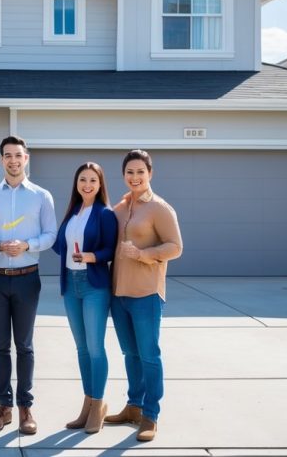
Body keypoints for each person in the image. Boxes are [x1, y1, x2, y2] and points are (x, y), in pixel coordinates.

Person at [0, 135, 57, 435]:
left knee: (24, 346)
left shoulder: (41, 196)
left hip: (27, 278)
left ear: (27, 158)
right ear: (1, 160)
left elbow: (51, 234)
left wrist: (27, 245)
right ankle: (4, 407)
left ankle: (26, 408)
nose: (13, 160)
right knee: (0, 346)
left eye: (18, 155)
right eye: (7, 155)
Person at [105, 149, 183, 442]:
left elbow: (176, 247)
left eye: (140, 172)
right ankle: (133, 406)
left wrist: (143, 254)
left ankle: (151, 414)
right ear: (123, 175)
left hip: (147, 293)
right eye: (130, 172)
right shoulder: (121, 207)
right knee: (130, 353)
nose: (135, 177)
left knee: (149, 355)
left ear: (150, 173)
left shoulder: (160, 208)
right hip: (119, 293)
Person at [51, 161, 117, 434]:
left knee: (95, 347)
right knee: (80, 348)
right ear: (76, 184)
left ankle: (99, 404)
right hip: (71, 284)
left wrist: (92, 256)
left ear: (100, 184)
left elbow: (110, 249)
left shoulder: (105, 214)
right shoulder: (72, 213)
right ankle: (88, 403)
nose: (87, 184)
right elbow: (58, 246)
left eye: (92, 180)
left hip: (94, 286)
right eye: (82, 180)